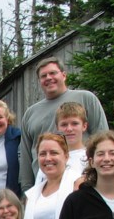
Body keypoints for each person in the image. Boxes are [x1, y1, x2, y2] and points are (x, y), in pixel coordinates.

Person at [19, 57, 108, 191]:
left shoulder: (86, 98)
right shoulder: (30, 113)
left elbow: (103, 139)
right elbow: (25, 154)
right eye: (43, 76)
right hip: (43, 186)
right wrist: (27, 189)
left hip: (83, 184)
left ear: (64, 75)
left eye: (53, 73)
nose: (48, 78)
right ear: (39, 81)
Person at [19, 133, 82, 219]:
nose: (48, 158)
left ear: (66, 156)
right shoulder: (33, 194)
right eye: (42, 154)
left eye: (54, 153)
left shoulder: (78, 184)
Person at [33, 102, 88, 185]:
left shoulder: (90, 158)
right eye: (64, 124)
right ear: (57, 127)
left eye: (75, 123)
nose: (69, 129)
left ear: (84, 126)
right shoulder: (49, 159)